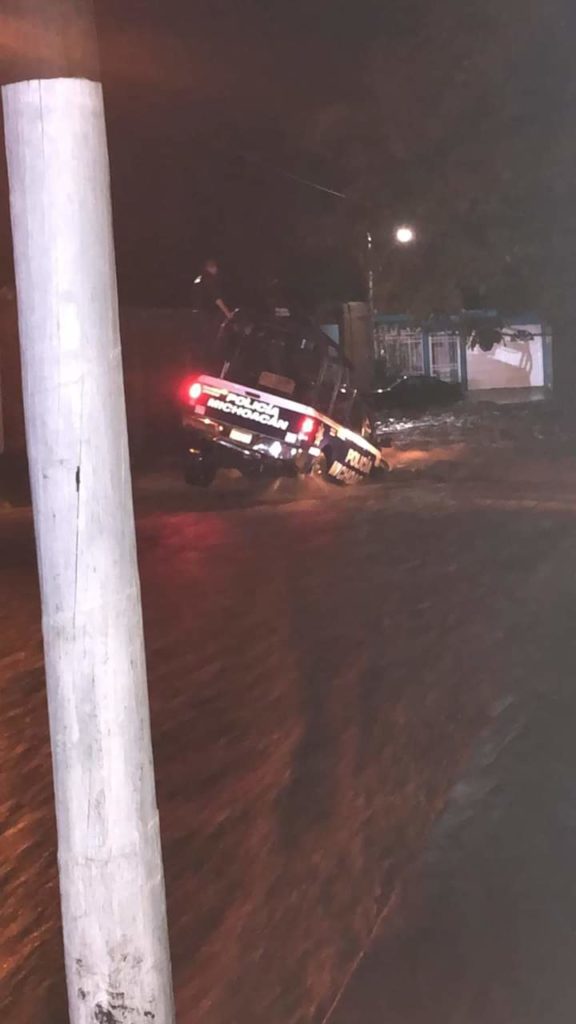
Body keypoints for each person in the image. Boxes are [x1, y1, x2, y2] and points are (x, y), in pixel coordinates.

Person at [192, 259, 233, 371]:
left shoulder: (199, 278)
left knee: (202, 341)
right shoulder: (210, 279)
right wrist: (227, 313)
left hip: (197, 313)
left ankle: (200, 364)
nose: (217, 270)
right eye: (215, 268)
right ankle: (210, 366)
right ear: (211, 268)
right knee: (211, 340)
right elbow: (216, 298)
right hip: (207, 314)